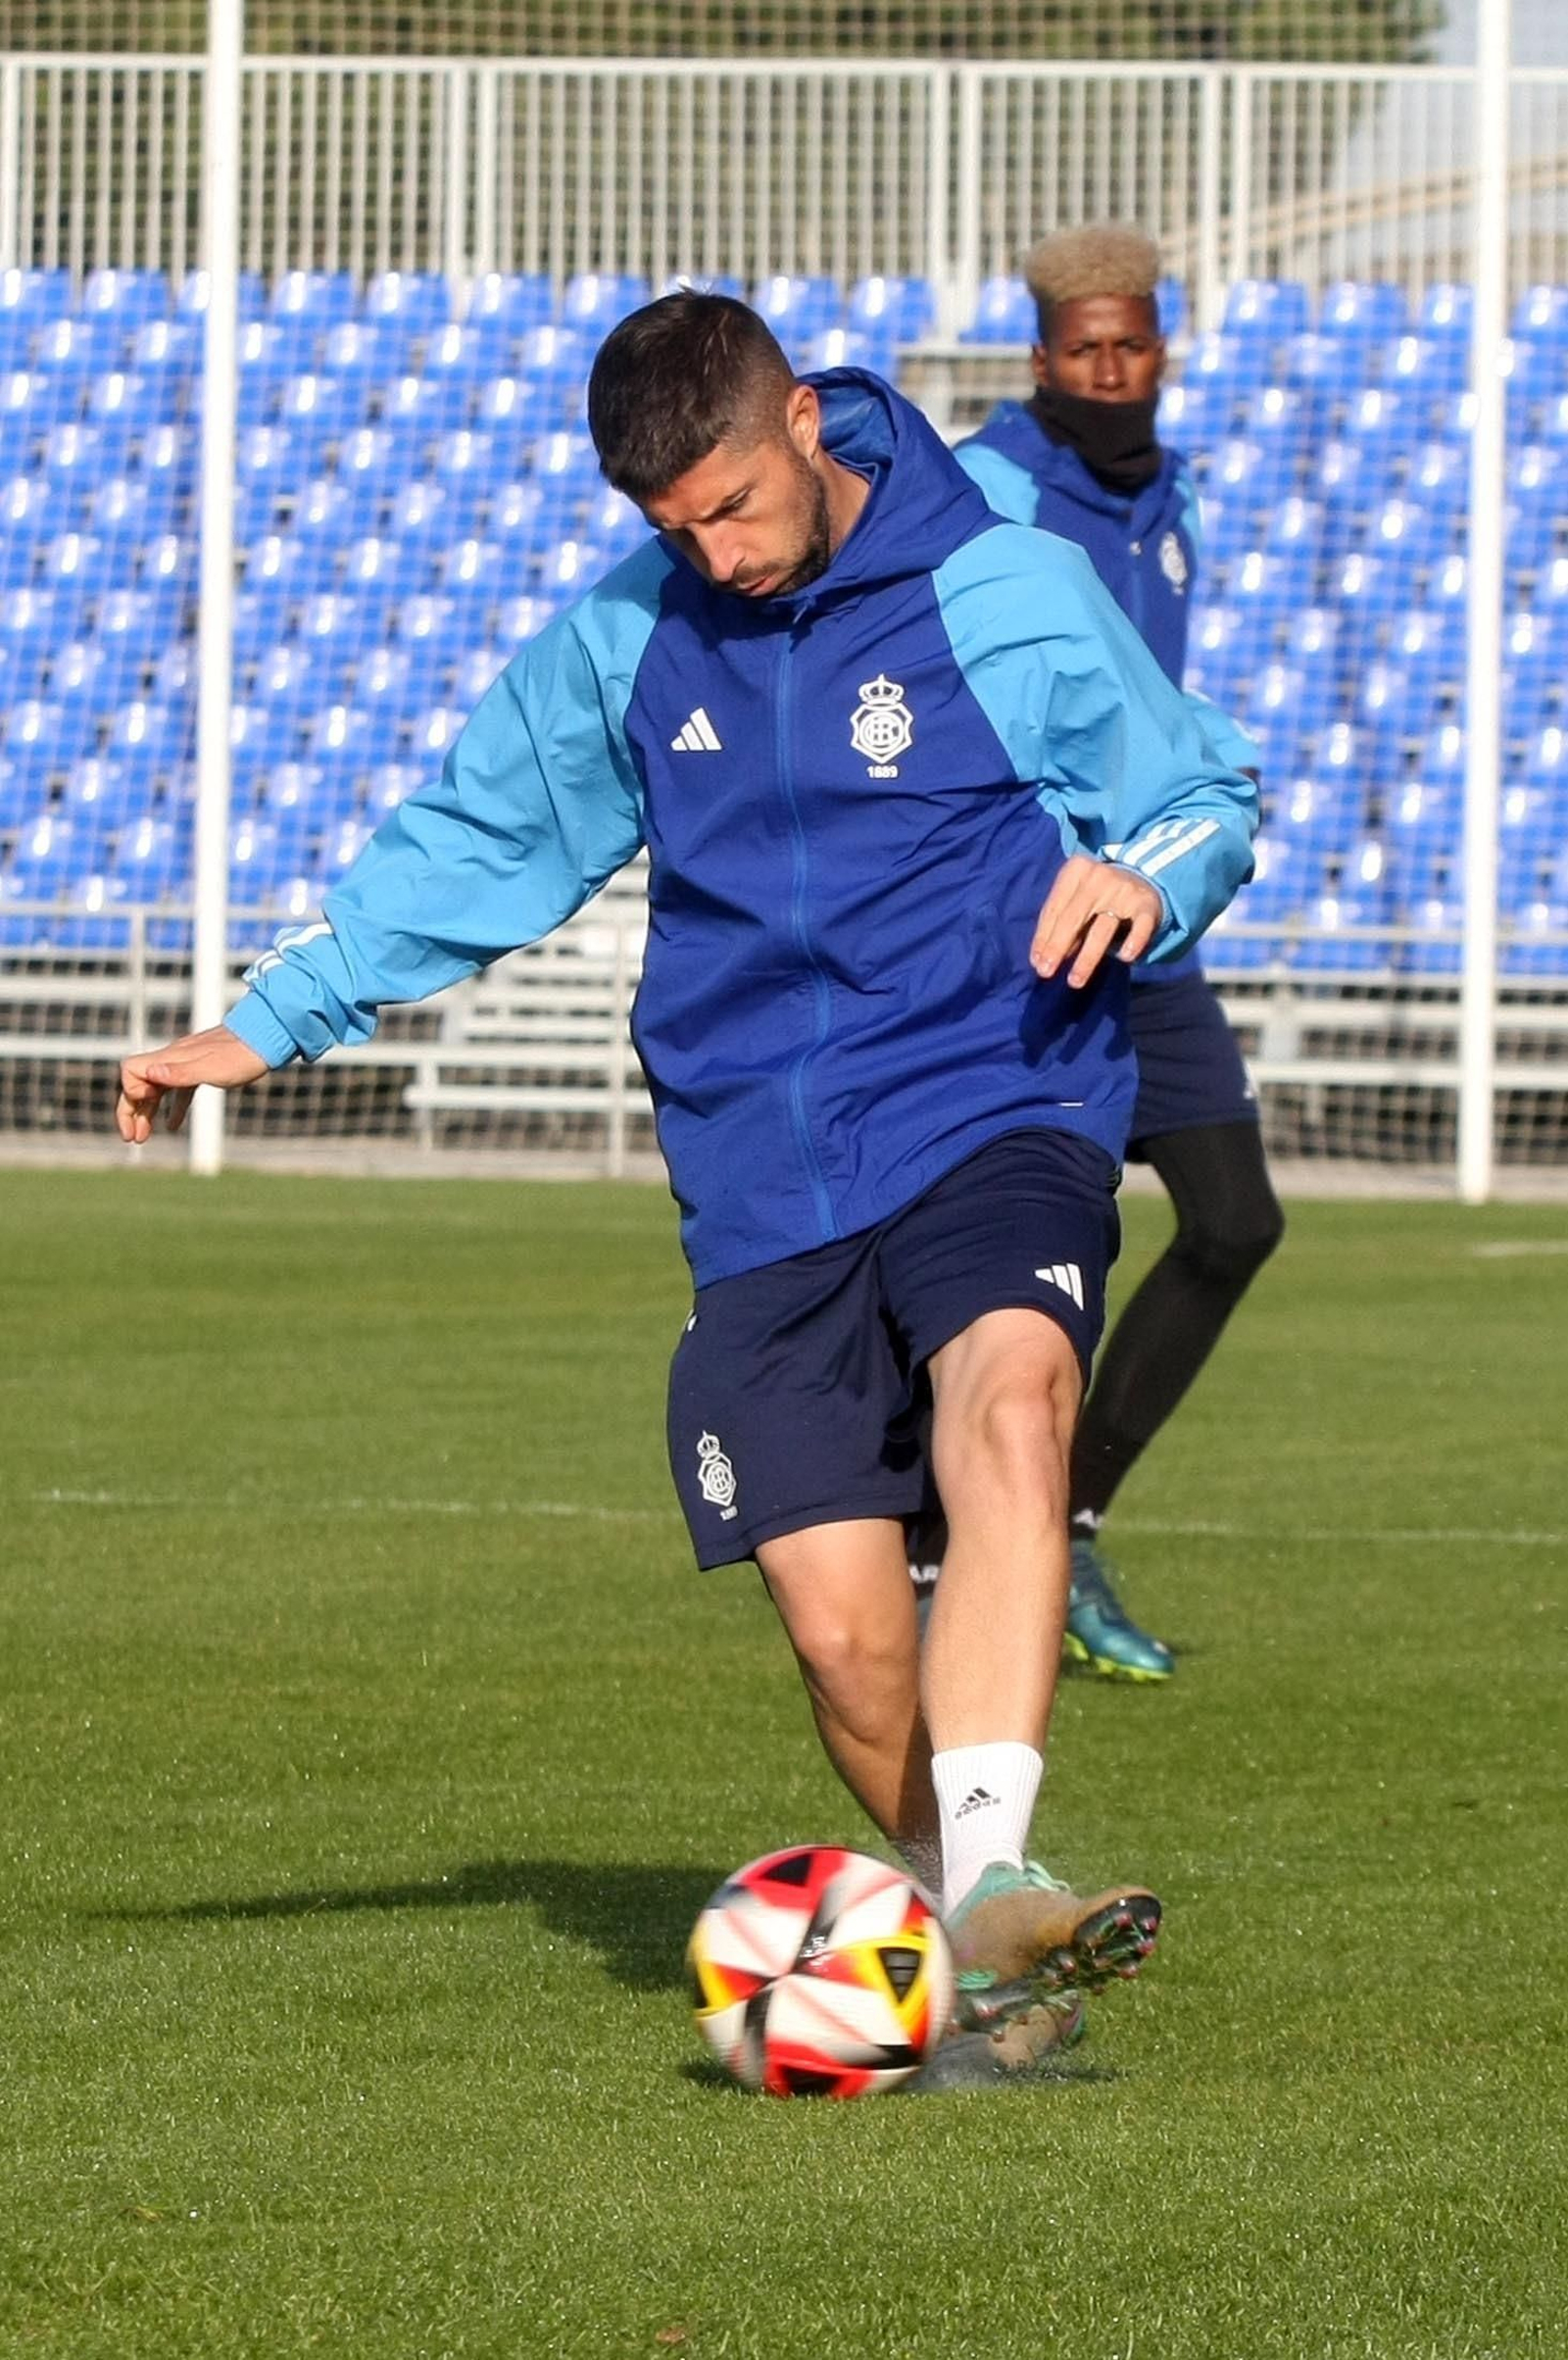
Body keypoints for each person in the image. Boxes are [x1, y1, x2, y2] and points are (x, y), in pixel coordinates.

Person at [117, 294, 1257, 2079]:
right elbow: (484, 841)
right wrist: (267, 1022)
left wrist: (1147, 878)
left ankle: (1003, 1869)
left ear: (804, 420)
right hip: (759, 1169)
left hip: (992, 1092)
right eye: (671, 530)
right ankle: (975, 1940)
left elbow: (1197, 792)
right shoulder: (632, 636)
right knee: (849, 1643)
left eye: (730, 506)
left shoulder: (1003, 584)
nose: (711, 555)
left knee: (1015, 1398)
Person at [922, 224, 1286, 1685]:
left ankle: (1061, 1524)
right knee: (971, 1232)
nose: (1110, 370)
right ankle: (945, 1538)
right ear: (1043, 357)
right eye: (1085, 350)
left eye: (1132, 347)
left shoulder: (1173, 493)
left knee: (1234, 1220)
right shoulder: (991, 488)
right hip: (1018, 912)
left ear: (1161, 350)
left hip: (1136, 908)